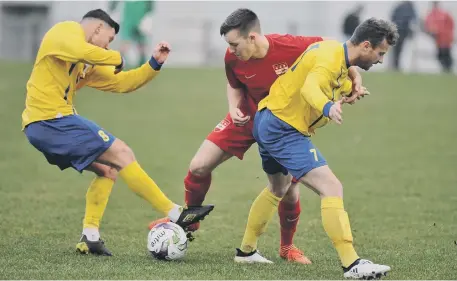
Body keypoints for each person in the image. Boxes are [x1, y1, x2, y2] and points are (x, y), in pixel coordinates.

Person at [148, 8, 364, 264]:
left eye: (234, 44)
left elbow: (338, 53)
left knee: (288, 189)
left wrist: (355, 74)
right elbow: (235, 83)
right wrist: (233, 108)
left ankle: (287, 248)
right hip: (247, 116)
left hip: (282, 123)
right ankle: (190, 221)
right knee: (198, 166)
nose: (231, 50)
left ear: (252, 37)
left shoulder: (291, 46)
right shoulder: (233, 56)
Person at [21, 9, 214, 256]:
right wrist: (115, 56)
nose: (108, 44)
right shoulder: (65, 31)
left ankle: (89, 237)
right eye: (109, 38)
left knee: (108, 170)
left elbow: (122, 83)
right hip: (50, 120)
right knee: (122, 152)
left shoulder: (85, 62)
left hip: (44, 127)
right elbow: (83, 51)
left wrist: (154, 64)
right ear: (98, 28)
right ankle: (176, 212)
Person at [238, 17, 398, 279]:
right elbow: (311, 88)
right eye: (380, 53)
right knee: (332, 187)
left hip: (268, 118)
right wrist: (327, 106)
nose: (380, 59)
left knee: (278, 187)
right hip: (283, 128)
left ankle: (246, 251)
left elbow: (326, 81)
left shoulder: (334, 53)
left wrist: (349, 90)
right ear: (366, 46)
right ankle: (352, 264)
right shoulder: (330, 58)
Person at [109, 0, 154, 68]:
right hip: (128, 14)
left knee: (142, 44)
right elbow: (113, 4)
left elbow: (150, 4)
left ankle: (143, 65)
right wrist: (112, 8)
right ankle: (118, 63)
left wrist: (148, 17)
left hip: (141, 14)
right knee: (125, 43)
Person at [424, 1, 454, 72]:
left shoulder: (444, 14)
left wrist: (449, 33)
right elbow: (427, 25)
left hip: (446, 38)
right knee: (440, 55)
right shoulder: (430, 15)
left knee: (446, 54)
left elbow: (451, 24)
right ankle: (446, 68)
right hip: (438, 39)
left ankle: (448, 68)